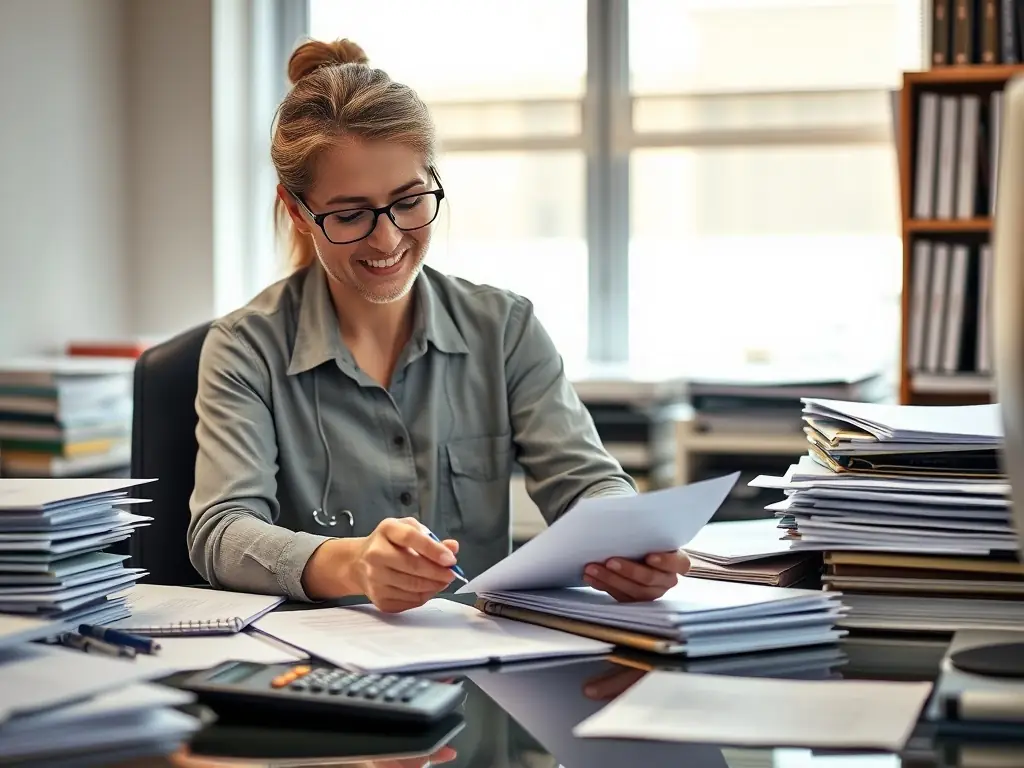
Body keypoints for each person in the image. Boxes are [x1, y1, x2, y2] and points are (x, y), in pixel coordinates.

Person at [187, 37, 690, 613]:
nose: (388, 238)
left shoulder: (504, 328)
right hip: (321, 677)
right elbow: (221, 534)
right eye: (350, 214)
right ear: (299, 211)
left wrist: (628, 541)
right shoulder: (244, 347)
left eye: (409, 201)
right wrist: (353, 562)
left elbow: (584, 479)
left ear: (432, 176)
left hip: (485, 665)